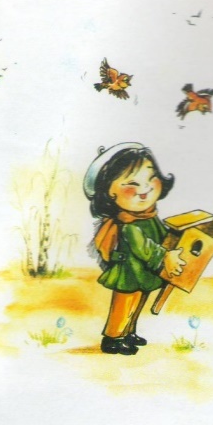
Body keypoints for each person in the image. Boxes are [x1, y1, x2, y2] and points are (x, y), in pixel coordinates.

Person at [83, 142, 185, 354]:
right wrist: (163, 256)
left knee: (139, 301)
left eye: (151, 178)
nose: (145, 189)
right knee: (124, 303)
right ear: (110, 194)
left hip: (143, 271)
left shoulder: (149, 216)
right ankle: (113, 337)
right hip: (129, 272)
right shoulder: (129, 225)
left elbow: (160, 235)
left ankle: (129, 331)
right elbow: (143, 248)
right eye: (132, 184)